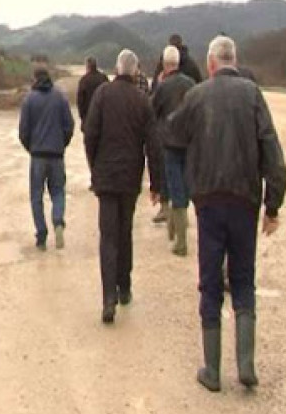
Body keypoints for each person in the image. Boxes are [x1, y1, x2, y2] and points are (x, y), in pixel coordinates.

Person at [169, 36, 286, 392]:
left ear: (210, 64)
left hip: (208, 201)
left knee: (210, 281)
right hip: (244, 201)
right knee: (243, 279)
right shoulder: (253, 95)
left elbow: (172, 134)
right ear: (235, 60)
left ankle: (212, 370)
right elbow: (273, 153)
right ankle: (246, 365)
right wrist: (272, 205)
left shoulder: (198, 95)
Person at [84, 49, 161, 324]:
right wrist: (156, 182)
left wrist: (94, 167)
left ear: (117, 69)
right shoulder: (142, 100)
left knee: (108, 237)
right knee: (124, 232)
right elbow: (153, 145)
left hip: (106, 176)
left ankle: (108, 298)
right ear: (136, 71)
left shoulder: (102, 95)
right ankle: (124, 286)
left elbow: (90, 134)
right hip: (130, 176)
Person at [19, 63, 75, 251]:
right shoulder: (60, 97)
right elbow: (69, 126)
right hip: (57, 154)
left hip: (38, 156)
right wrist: (61, 144)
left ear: (34, 79)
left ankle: (41, 235)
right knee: (58, 192)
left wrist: (31, 148)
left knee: (36, 196)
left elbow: (23, 131)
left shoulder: (29, 100)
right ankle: (58, 222)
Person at [151, 46, 195, 255]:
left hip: (169, 143)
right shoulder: (191, 85)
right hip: (188, 142)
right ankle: (174, 228)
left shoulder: (163, 86)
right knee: (184, 187)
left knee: (174, 187)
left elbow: (152, 110)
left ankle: (180, 240)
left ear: (166, 64)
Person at [76, 56, 108, 130]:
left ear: (87, 66)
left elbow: (80, 102)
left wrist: (83, 118)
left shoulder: (84, 80)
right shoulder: (103, 78)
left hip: (88, 119)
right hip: (102, 119)